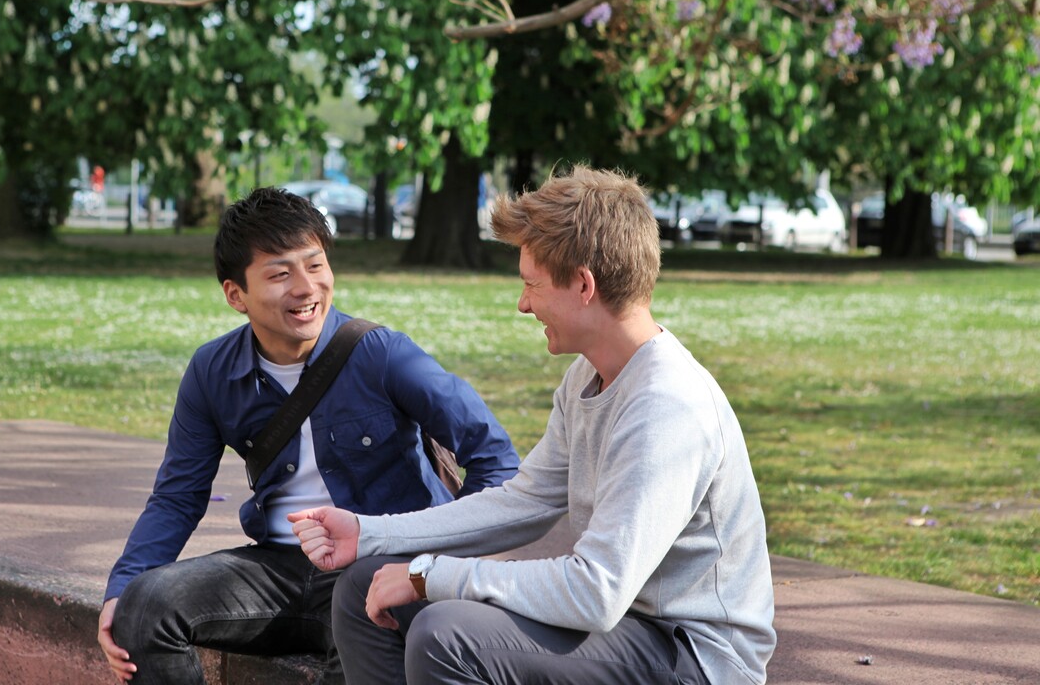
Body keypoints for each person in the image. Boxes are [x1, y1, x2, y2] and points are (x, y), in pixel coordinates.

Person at [291, 166, 776, 685]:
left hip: (693, 655)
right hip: (623, 627)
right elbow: (522, 501)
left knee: (445, 634)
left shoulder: (667, 406)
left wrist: (434, 575)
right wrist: (370, 534)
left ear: (584, 284)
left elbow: (596, 592)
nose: (523, 303)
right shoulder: (586, 376)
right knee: (362, 584)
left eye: (531, 284)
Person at [98, 187, 520, 684]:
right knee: (143, 606)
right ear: (236, 295)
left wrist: (431, 566)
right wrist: (121, 589)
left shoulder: (382, 354)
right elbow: (176, 497)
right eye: (280, 273)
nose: (306, 288)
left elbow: (496, 459)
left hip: (375, 569)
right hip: (275, 571)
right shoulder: (212, 370)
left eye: (315, 265)